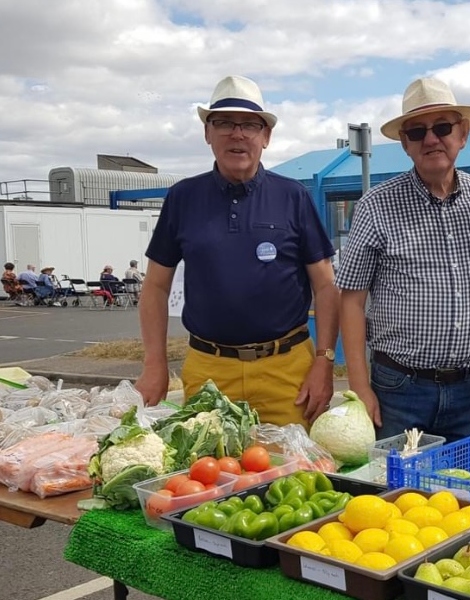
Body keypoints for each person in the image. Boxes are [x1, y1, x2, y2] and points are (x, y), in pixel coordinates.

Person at [135, 75, 338, 429]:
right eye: (224, 123)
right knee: (208, 477)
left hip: (287, 371)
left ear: (266, 137)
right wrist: (155, 363)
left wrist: (324, 361)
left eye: (249, 125)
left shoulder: (293, 197)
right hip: (209, 369)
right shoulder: (183, 198)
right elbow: (154, 287)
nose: (237, 133)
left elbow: (325, 285)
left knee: (291, 473)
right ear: (207, 133)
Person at [336, 77, 470, 442]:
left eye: (443, 127)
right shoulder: (376, 205)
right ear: (405, 144)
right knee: (394, 492)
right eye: (417, 132)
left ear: (462, 135)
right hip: (399, 388)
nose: (431, 139)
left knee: (468, 494)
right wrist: (359, 389)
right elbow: (351, 301)